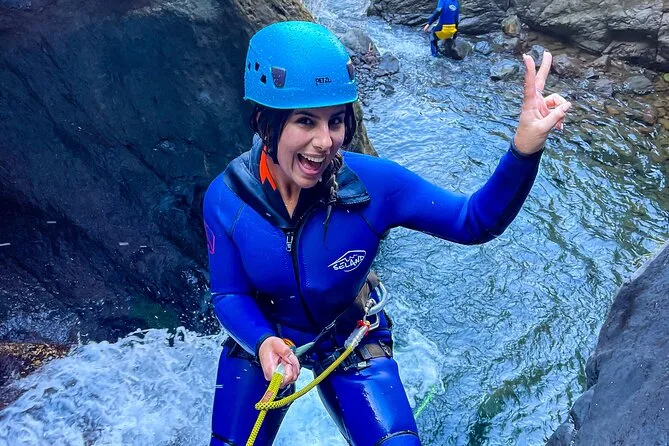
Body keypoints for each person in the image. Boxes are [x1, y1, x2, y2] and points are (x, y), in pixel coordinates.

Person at [203, 20, 570, 446]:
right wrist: (262, 341)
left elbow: (473, 221)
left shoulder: (377, 187)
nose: (325, 142)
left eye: (336, 121)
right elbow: (229, 295)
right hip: (265, 332)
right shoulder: (227, 200)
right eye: (305, 121)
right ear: (264, 122)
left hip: (348, 335)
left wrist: (524, 149)